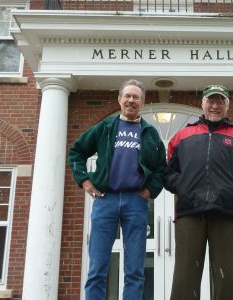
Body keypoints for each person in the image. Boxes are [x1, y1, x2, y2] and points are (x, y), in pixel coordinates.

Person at [68, 79, 166, 300]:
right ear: (119, 99)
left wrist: (149, 191)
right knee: (97, 270)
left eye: (136, 97)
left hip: (136, 203)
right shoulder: (106, 127)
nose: (131, 100)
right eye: (127, 96)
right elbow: (77, 152)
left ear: (142, 101)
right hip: (106, 201)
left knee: (135, 271)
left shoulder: (150, 133)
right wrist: (85, 181)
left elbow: (162, 168)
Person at [164, 84, 233, 300]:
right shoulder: (183, 135)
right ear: (203, 104)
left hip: (226, 213)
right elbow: (168, 171)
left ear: (227, 106)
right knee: (185, 277)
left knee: (226, 276)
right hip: (189, 213)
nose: (215, 106)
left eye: (220, 101)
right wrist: (182, 187)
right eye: (211, 101)